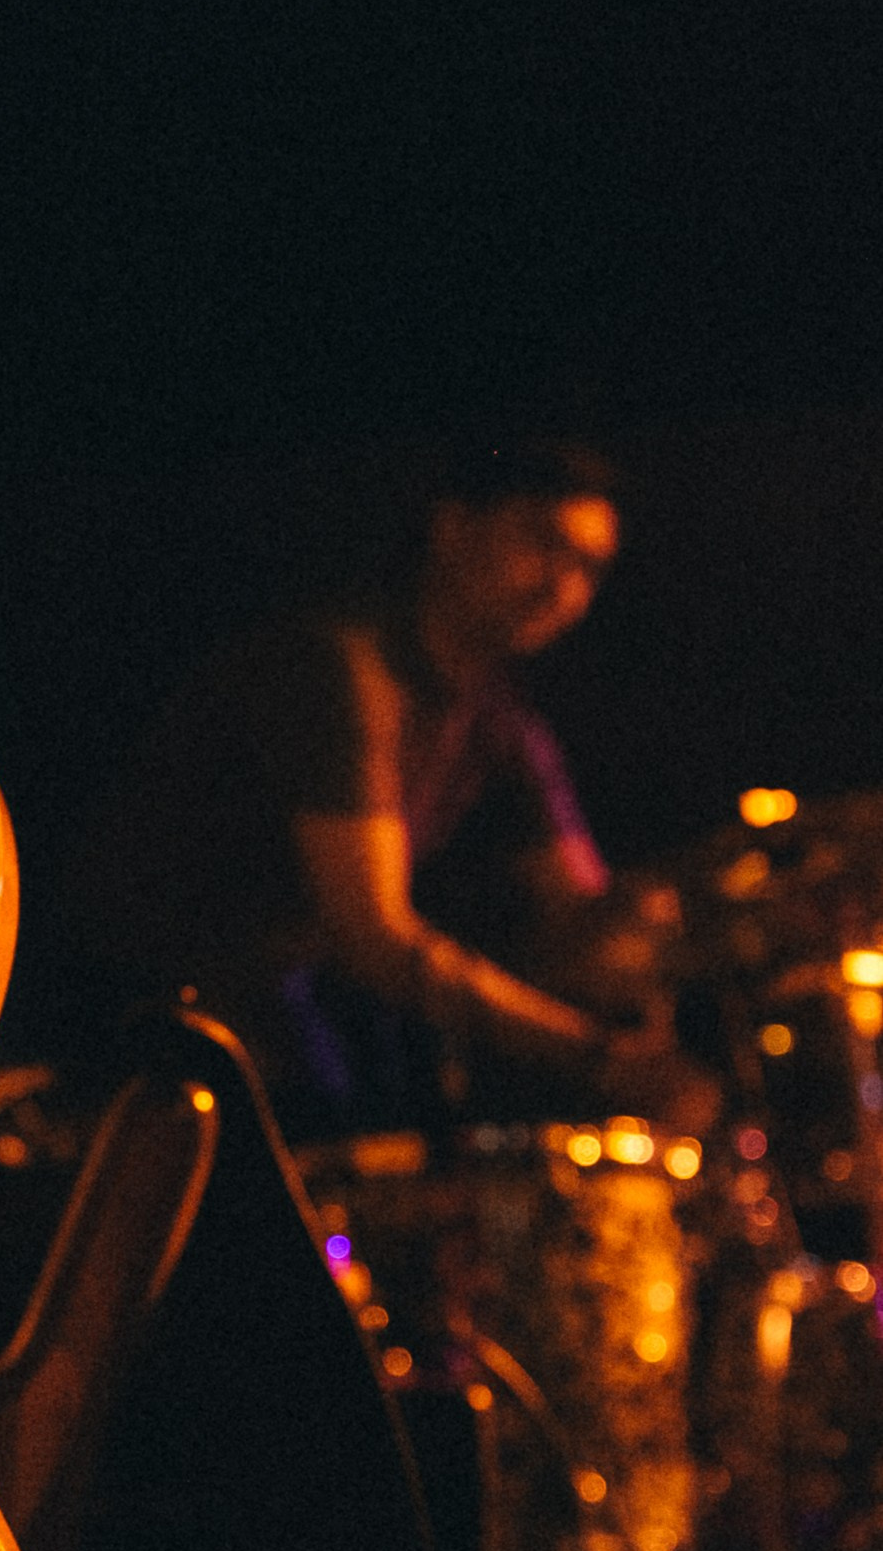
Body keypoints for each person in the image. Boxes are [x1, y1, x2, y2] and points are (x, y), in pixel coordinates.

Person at [69, 436, 675, 1135]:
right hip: (141, 1025)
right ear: (451, 528)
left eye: (589, 569)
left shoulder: (502, 721)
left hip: (268, 1014)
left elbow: (580, 912)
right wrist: (595, 1057)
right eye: (541, 543)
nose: (560, 587)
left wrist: (665, 931)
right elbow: (373, 936)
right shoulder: (339, 672)